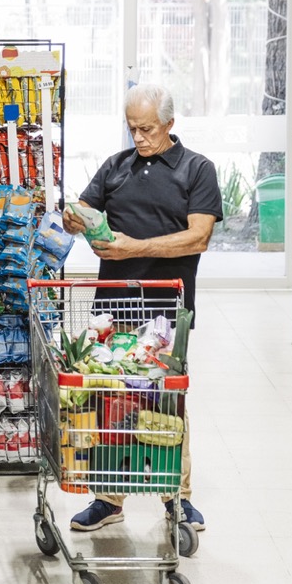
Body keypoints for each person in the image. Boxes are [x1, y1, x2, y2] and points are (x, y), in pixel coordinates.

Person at [61, 83, 222, 534]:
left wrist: (135, 248)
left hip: (167, 311)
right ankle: (108, 498)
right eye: (132, 128)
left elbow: (198, 237)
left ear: (170, 124)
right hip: (111, 308)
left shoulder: (197, 170)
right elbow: (81, 212)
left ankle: (178, 498)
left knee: (166, 401)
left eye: (147, 128)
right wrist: (74, 219)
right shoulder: (115, 168)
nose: (139, 137)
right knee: (109, 398)